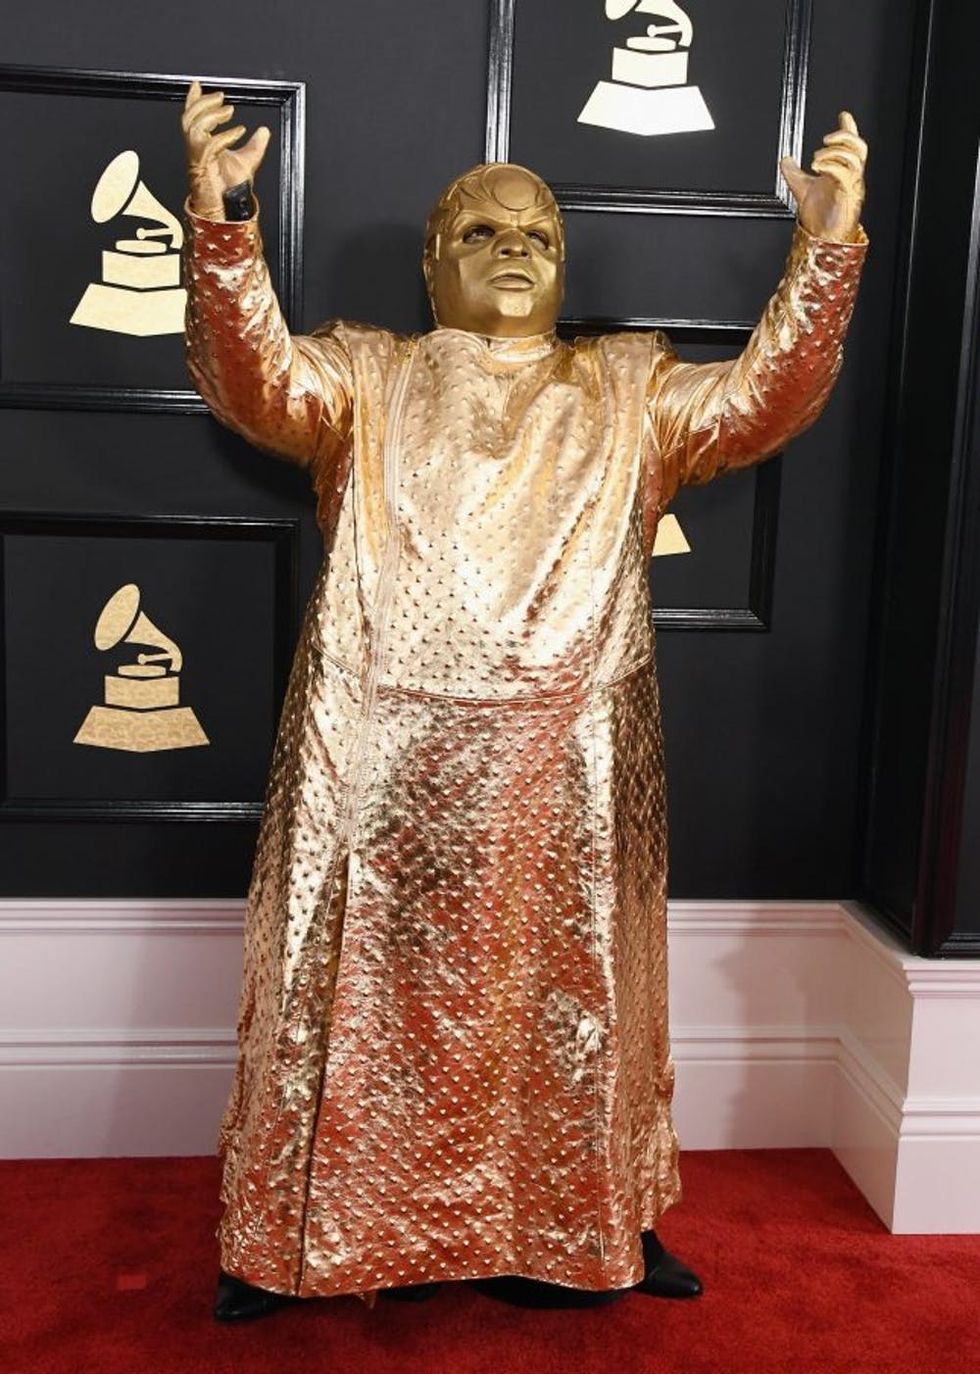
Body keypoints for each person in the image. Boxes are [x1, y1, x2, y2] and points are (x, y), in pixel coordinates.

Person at [180, 79, 868, 1322]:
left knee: (574, 1009)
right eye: (482, 231)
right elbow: (253, 383)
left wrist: (824, 250)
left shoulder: (630, 388)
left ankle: (588, 1225)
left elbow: (764, 400)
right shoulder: (368, 375)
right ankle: (295, 1240)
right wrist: (223, 227)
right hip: (378, 756)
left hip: (572, 757)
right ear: (432, 266)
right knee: (348, 999)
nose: (514, 249)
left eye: (537, 234)